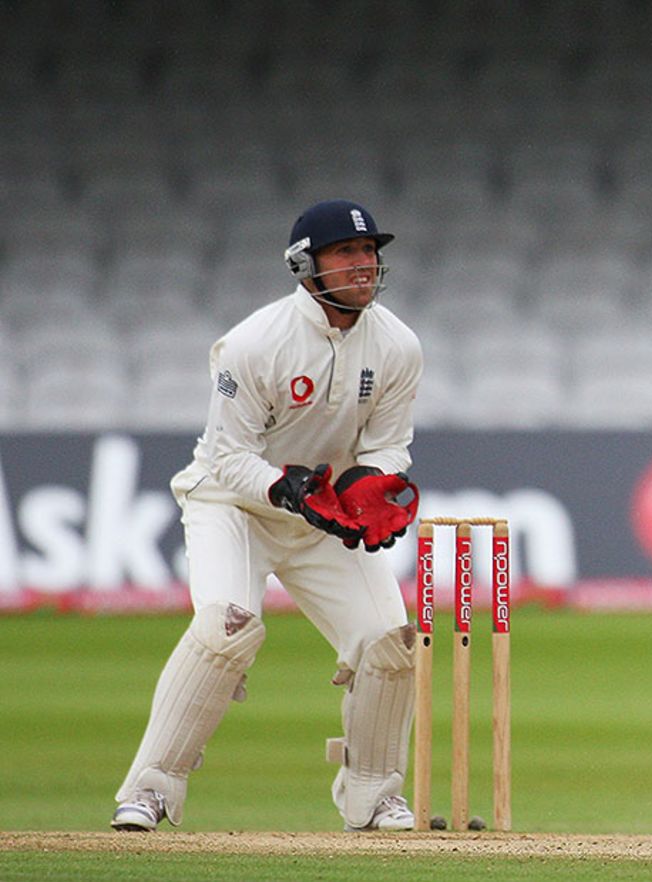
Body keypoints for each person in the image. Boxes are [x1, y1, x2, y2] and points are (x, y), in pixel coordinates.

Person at [111, 199, 425, 833]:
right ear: (305, 265)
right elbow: (228, 457)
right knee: (227, 627)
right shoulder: (254, 344)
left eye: (370, 253)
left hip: (322, 516)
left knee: (391, 642)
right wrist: (287, 489)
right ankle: (149, 789)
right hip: (234, 506)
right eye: (346, 253)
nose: (364, 265)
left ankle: (373, 795)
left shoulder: (397, 344)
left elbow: (391, 442)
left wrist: (367, 482)